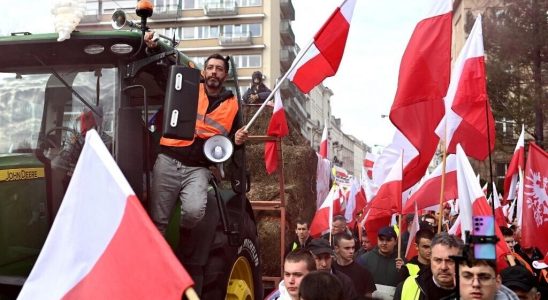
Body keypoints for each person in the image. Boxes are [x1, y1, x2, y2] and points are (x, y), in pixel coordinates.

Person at [144, 34, 250, 233]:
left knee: (194, 213)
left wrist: (236, 141)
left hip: (199, 168)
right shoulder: (188, 86)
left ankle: (182, 244)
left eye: (219, 69)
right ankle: (160, 261)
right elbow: (163, 74)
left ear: (225, 76)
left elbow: (232, 143)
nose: (213, 72)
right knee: (158, 220)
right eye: (210, 68)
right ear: (204, 71)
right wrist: (152, 48)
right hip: (169, 159)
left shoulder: (234, 106)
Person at [394, 232, 464, 300]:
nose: (443, 267)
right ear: (431, 259)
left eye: (450, 261)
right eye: (438, 260)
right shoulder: (407, 286)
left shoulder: (471, 291)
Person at [356, 226, 404, 299]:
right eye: (381, 240)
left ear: (395, 241)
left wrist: (405, 270)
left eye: (388, 240)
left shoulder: (402, 261)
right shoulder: (364, 259)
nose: (384, 243)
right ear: (377, 240)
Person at [333, 232, 376, 299]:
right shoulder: (330, 270)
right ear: (336, 249)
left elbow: (368, 297)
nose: (351, 251)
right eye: (347, 248)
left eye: (353, 247)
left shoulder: (364, 273)